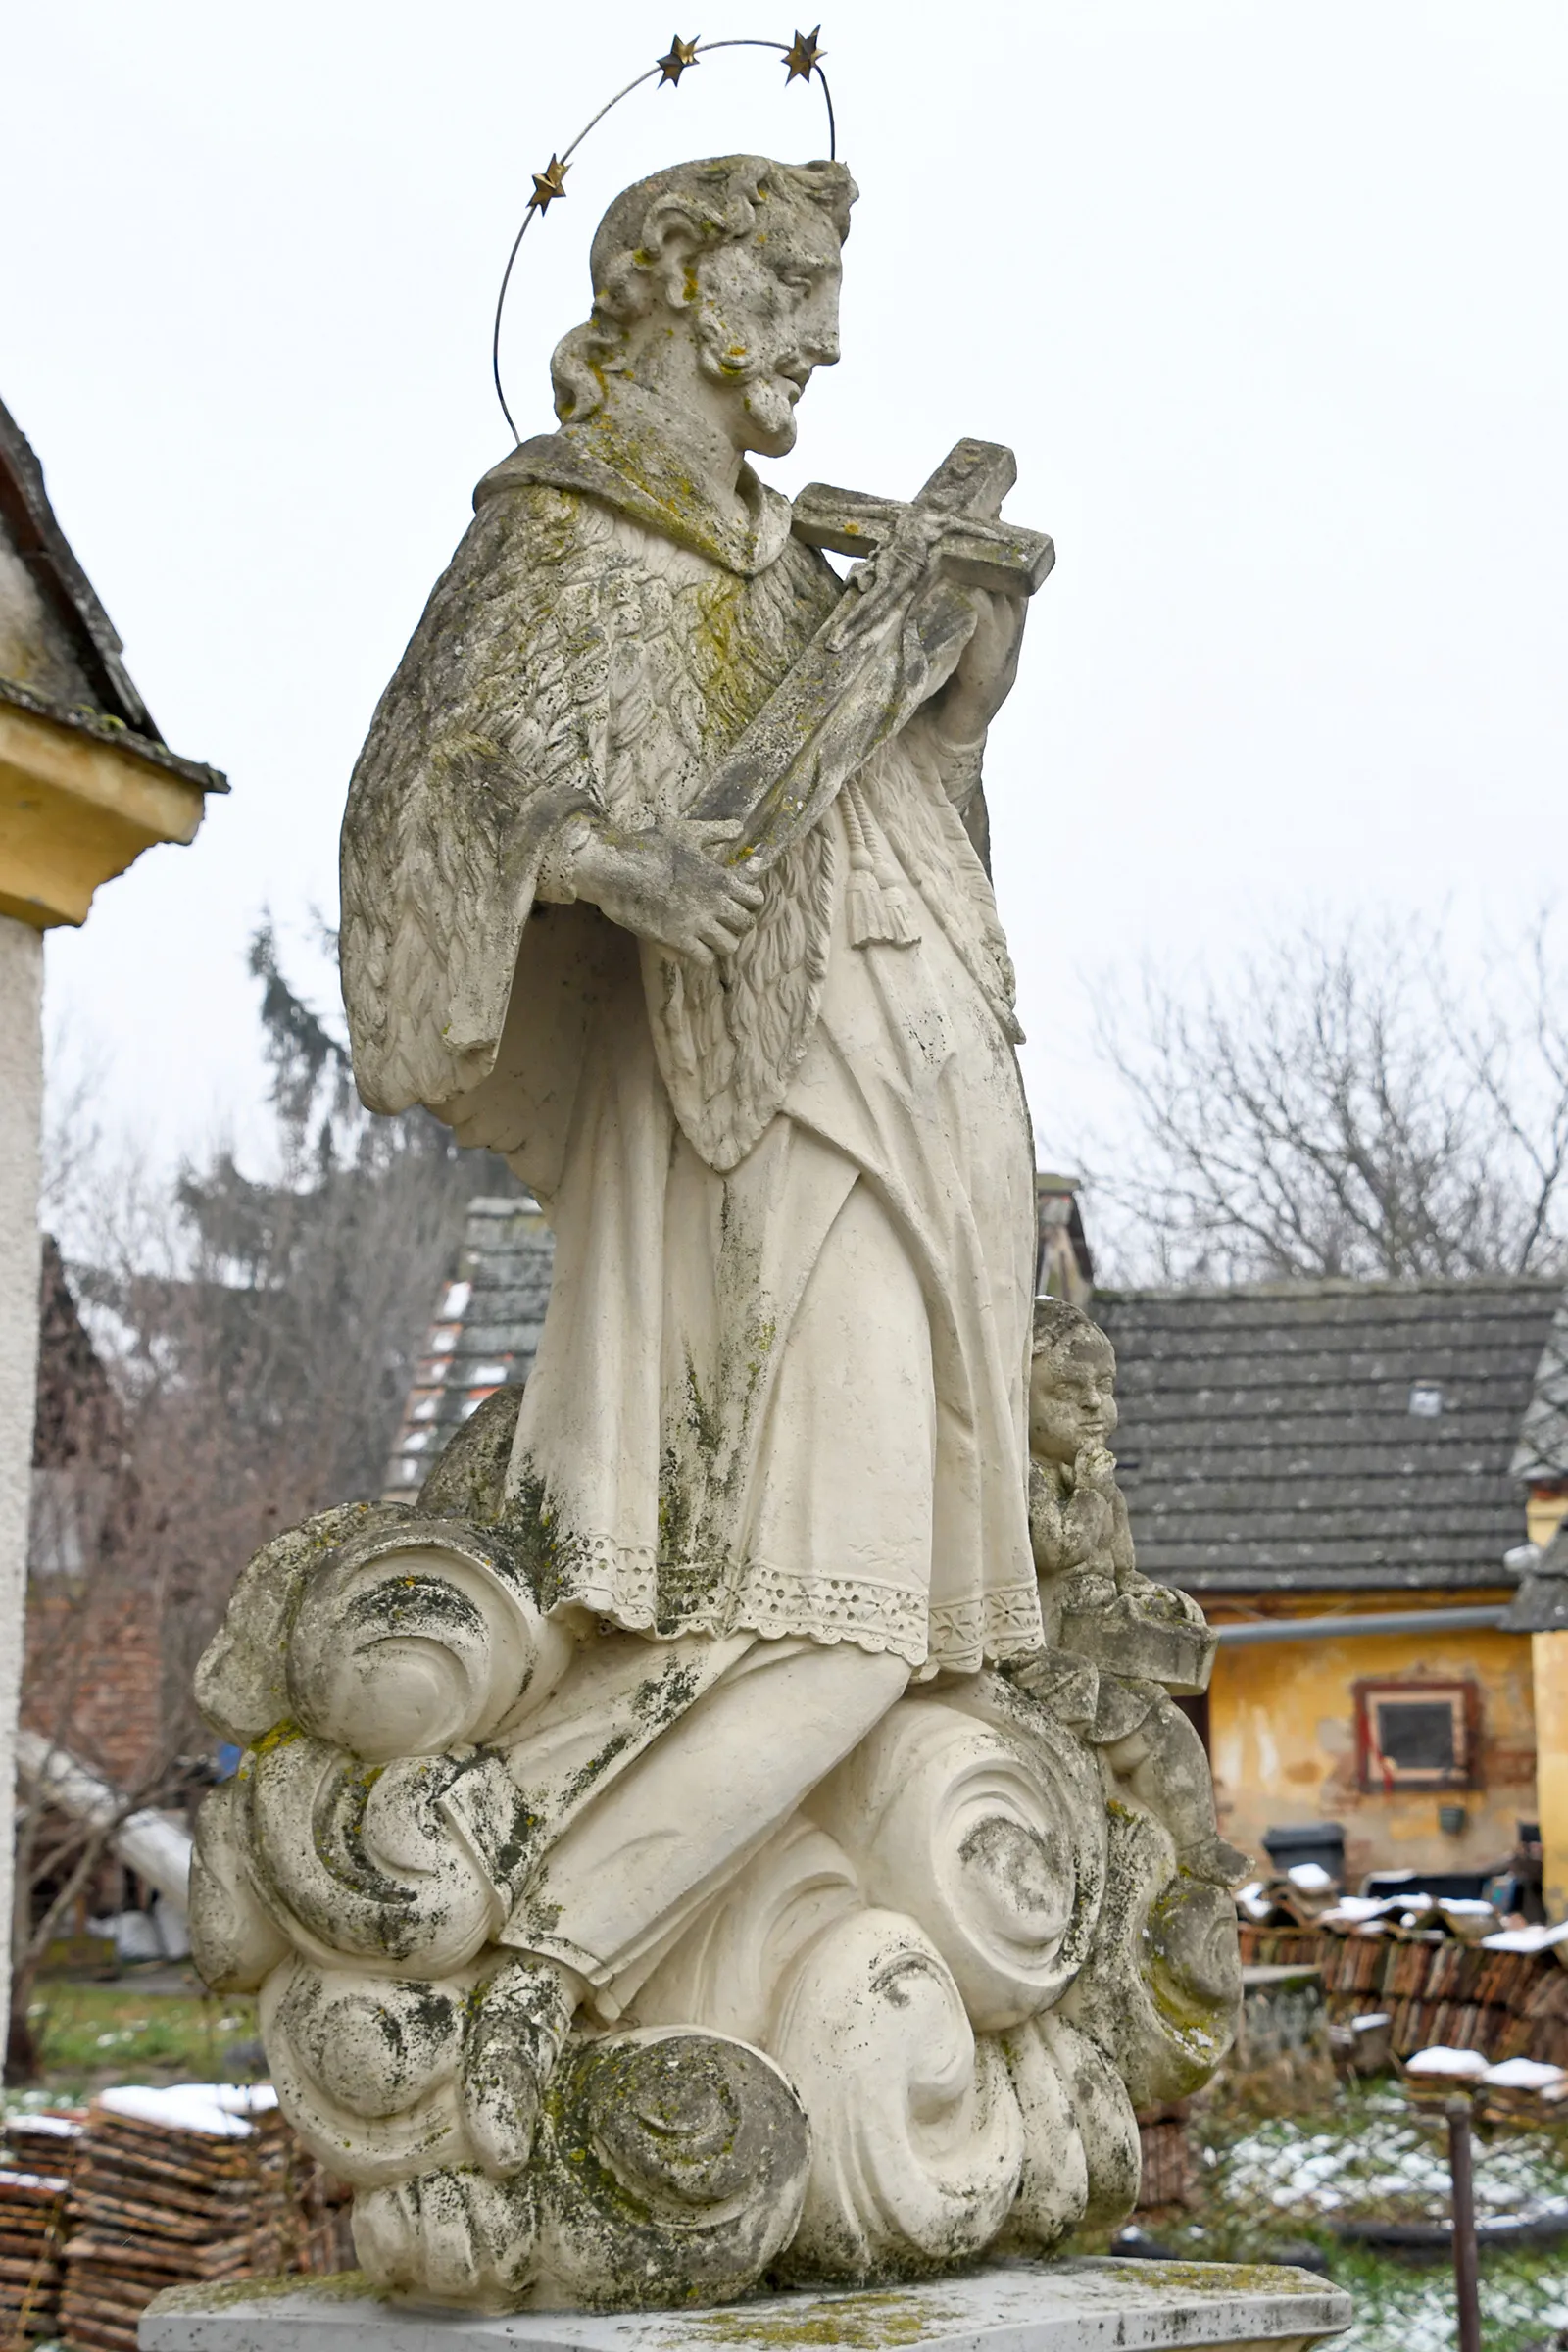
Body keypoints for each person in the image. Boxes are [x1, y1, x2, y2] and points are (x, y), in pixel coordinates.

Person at [337, 153, 1045, 2144]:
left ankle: (577, 1974)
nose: (823, 329)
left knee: (870, 1638)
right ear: (672, 280)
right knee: (825, 1624)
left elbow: (878, 822)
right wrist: (609, 865)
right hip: (755, 1141)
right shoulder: (561, 541)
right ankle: (525, 1968)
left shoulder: (796, 561)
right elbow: (417, 812)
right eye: (790, 279)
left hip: (904, 1115)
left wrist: (958, 710)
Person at [1007, 1297, 1251, 1888]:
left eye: (1104, 1385)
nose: (1094, 1403)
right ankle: (1195, 1847)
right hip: (1050, 1651)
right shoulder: (1028, 1478)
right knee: (1158, 1731)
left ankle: (1199, 1844)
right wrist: (1091, 1491)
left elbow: (1123, 1574)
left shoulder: (1102, 1484)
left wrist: (1160, 1602)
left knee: (1173, 1727)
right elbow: (1056, 1548)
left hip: (1101, 1634)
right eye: (1067, 1391)